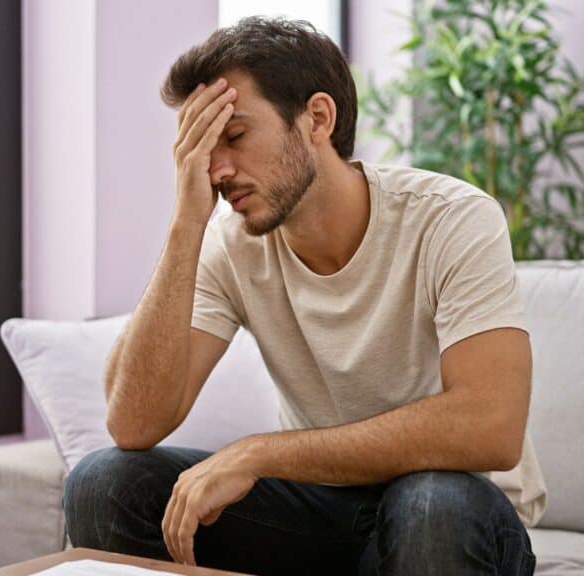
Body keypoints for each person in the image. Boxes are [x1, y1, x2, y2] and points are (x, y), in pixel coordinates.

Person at [63, 16, 546, 576]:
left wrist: (259, 452)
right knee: (105, 483)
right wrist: (186, 223)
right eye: (201, 148)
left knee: (430, 504)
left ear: (317, 118)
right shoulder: (231, 244)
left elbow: (491, 424)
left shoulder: (452, 220)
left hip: (458, 512)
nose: (217, 170)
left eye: (236, 136)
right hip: (320, 516)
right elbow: (132, 424)